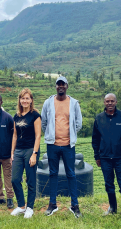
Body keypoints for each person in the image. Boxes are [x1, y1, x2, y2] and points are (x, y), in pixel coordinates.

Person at [41, 76, 83, 218]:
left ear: (67, 86)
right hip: (52, 145)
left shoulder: (74, 103)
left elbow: (78, 123)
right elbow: (44, 123)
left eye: (63, 84)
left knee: (71, 174)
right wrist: (51, 135)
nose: (60, 86)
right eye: (58, 84)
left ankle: (74, 205)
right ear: (55, 87)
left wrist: (69, 133)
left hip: (68, 145)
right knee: (53, 173)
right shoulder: (48, 102)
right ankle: (52, 205)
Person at [92, 93, 121, 221]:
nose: (109, 103)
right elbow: (95, 139)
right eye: (107, 101)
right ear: (104, 103)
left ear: (116, 102)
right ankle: (112, 208)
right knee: (108, 184)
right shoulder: (99, 118)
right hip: (105, 157)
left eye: (112, 101)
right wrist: (97, 156)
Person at [10, 88, 41, 219]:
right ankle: (21, 205)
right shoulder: (16, 116)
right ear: (19, 100)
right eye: (23, 98)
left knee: (30, 179)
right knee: (15, 179)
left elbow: (38, 135)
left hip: (30, 150)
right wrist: (12, 153)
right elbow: (15, 136)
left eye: (27, 98)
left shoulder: (35, 115)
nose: (25, 100)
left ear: (31, 100)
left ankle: (30, 208)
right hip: (18, 150)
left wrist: (34, 153)